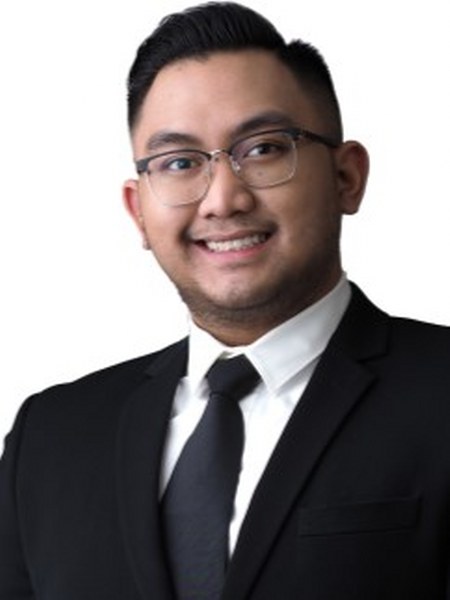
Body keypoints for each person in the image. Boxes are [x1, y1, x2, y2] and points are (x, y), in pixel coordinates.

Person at [1, 2, 449, 599]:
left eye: (263, 149)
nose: (222, 200)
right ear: (138, 211)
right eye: (179, 162)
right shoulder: (51, 437)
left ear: (347, 177)